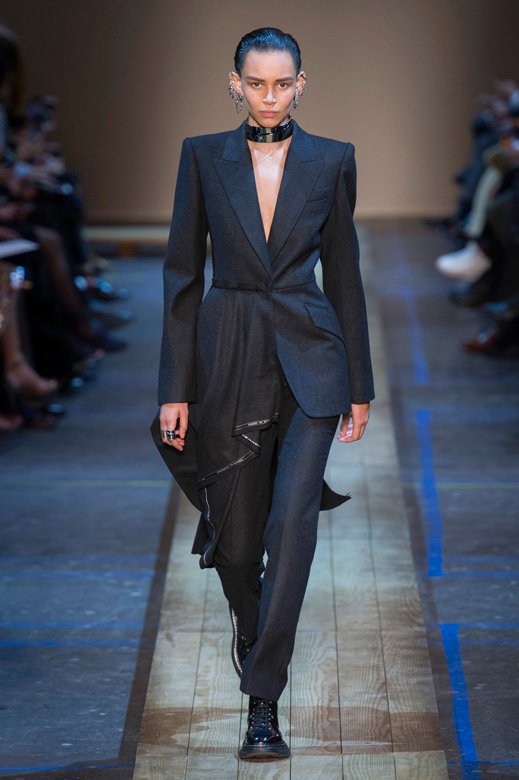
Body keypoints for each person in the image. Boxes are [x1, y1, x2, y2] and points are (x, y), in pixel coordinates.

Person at [151, 27, 374, 761]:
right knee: (240, 540)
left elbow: (343, 272)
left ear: (301, 83)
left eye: (282, 83)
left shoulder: (332, 159)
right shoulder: (201, 157)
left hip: (312, 358)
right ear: (235, 83)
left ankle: (262, 702)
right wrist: (174, 388)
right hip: (228, 351)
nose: (269, 97)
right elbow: (181, 275)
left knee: (291, 527)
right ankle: (253, 635)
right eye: (256, 83)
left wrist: (360, 385)